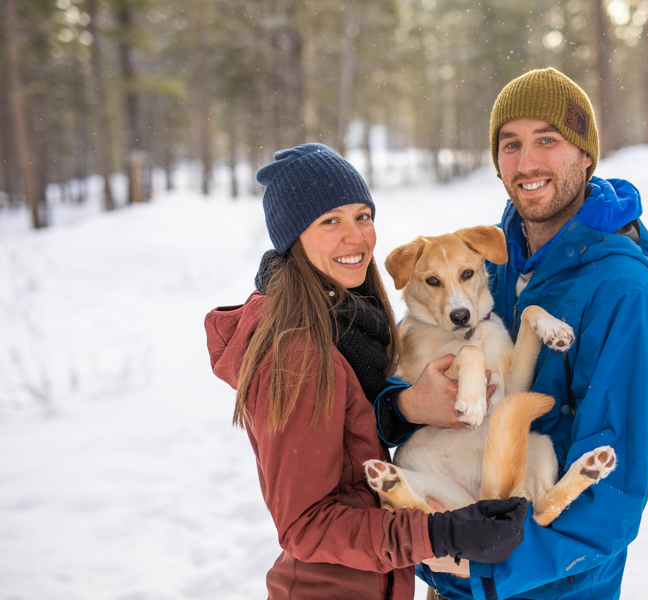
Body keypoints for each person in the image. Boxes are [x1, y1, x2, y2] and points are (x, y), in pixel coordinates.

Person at [204, 143, 527, 600]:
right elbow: (305, 525)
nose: (355, 236)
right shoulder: (295, 350)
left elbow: (347, 429)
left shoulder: (349, 322)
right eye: (329, 221)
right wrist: (439, 535)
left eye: (363, 216)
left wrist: (402, 406)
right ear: (293, 237)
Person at [418, 68, 648, 600]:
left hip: (543, 584)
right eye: (510, 145)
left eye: (547, 140)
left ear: (585, 154)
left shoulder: (625, 291)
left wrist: (487, 572)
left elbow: (615, 481)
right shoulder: (494, 261)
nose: (527, 162)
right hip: (456, 563)